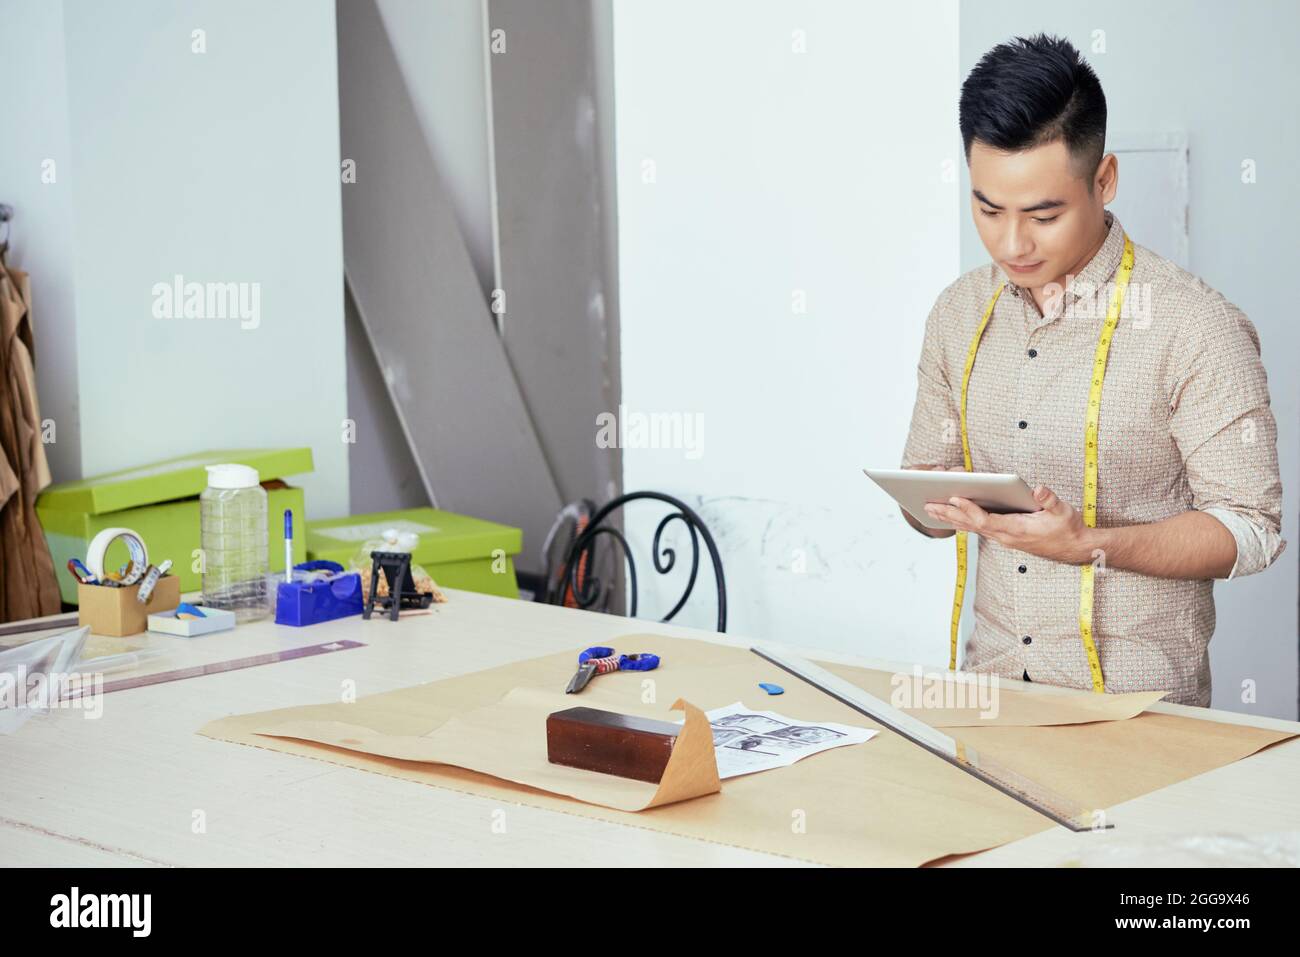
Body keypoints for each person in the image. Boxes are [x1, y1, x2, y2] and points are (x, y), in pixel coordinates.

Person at [900, 34, 1285, 706]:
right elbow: (928, 510)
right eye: (988, 209)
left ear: (1103, 180)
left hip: (1143, 717)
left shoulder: (1196, 326)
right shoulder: (958, 313)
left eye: (1043, 214)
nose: (1011, 242)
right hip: (989, 699)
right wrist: (933, 505)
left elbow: (1252, 531)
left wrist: (1089, 543)